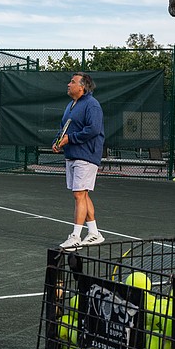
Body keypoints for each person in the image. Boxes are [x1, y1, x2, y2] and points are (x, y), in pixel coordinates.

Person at [52, 72, 106, 249]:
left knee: (78, 194)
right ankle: (94, 233)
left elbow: (94, 129)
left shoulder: (92, 105)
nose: (68, 84)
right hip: (72, 154)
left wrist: (71, 139)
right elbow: (63, 128)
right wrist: (58, 142)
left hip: (87, 155)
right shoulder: (71, 105)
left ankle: (75, 237)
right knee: (82, 194)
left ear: (82, 87)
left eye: (72, 82)